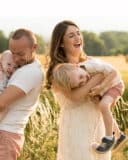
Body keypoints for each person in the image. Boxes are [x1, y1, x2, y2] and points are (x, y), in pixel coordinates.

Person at [46, 20, 111, 160]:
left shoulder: (91, 62)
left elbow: (105, 95)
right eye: (71, 36)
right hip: (77, 128)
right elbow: (75, 97)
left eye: (78, 33)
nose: (77, 38)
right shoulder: (59, 69)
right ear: (61, 43)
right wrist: (98, 77)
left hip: (98, 126)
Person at [0, 28, 44, 160]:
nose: (16, 59)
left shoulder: (30, 72)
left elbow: (0, 103)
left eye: (20, 54)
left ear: (34, 47)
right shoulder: (17, 67)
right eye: (13, 53)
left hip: (4, 136)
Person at [53, 62, 127, 154]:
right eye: (80, 84)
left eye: (81, 77)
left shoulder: (92, 66)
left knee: (103, 105)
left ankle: (109, 138)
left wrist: (101, 87)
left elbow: (114, 73)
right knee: (102, 109)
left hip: (115, 85)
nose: (84, 80)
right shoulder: (79, 73)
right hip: (105, 89)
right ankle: (118, 135)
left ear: (75, 66)